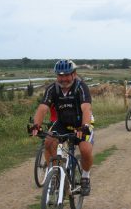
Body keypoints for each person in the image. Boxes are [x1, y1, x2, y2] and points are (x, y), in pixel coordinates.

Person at [32, 59, 93, 196]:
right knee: (48, 142)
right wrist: (36, 125)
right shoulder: (52, 88)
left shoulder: (81, 87)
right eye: (60, 75)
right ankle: (56, 174)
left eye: (66, 75)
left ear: (74, 74)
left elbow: (86, 109)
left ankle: (85, 177)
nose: (63, 78)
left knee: (85, 149)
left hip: (81, 123)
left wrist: (84, 127)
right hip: (63, 123)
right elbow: (43, 108)